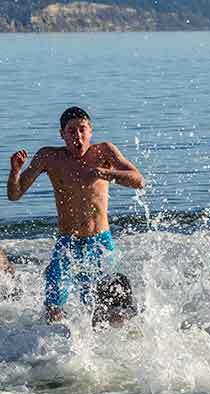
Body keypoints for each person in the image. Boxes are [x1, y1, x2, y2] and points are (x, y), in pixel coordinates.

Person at [7, 107, 145, 323]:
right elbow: (14, 195)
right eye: (71, 131)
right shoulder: (49, 157)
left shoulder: (104, 152)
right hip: (67, 244)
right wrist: (15, 171)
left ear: (90, 130)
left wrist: (103, 172)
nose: (78, 137)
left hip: (100, 242)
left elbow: (138, 180)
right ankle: (55, 347)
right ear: (62, 134)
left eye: (82, 130)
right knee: (54, 304)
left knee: (108, 305)